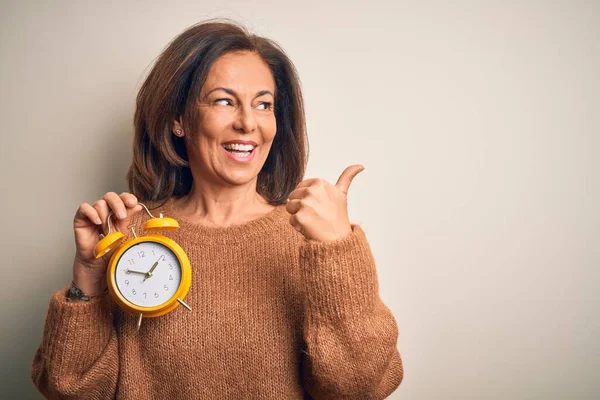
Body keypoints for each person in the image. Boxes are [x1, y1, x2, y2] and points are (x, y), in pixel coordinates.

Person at [31, 20, 404, 399]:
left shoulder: (314, 239)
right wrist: (89, 276)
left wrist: (337, 250)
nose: (247, 123)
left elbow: (360, 388)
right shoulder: (130, 237)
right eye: (224, 101)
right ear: (179, 120)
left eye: (264, 104)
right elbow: (70, 389)